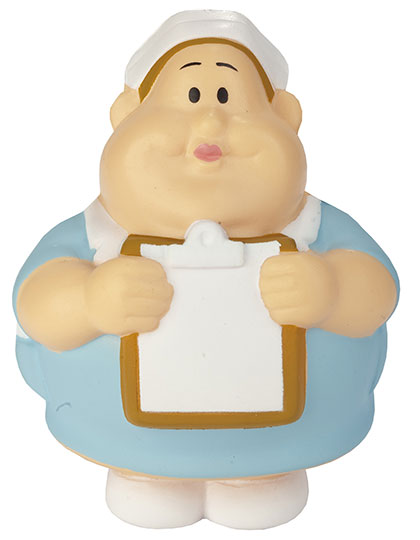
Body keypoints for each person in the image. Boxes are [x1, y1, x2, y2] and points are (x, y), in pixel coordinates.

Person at [13, 10, 399, 530]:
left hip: (284, 441)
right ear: (127, 115)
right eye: (191, 96)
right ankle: (147, 475)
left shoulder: (312, 227)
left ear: (285, 117)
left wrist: (329, 290)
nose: (210, 124)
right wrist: (89, 301)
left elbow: (379, 293)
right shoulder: (97, 232)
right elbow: (35, 304)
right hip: (124, 439)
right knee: (147, 497)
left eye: (228, 99)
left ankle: (259, 476)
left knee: (261, 498)